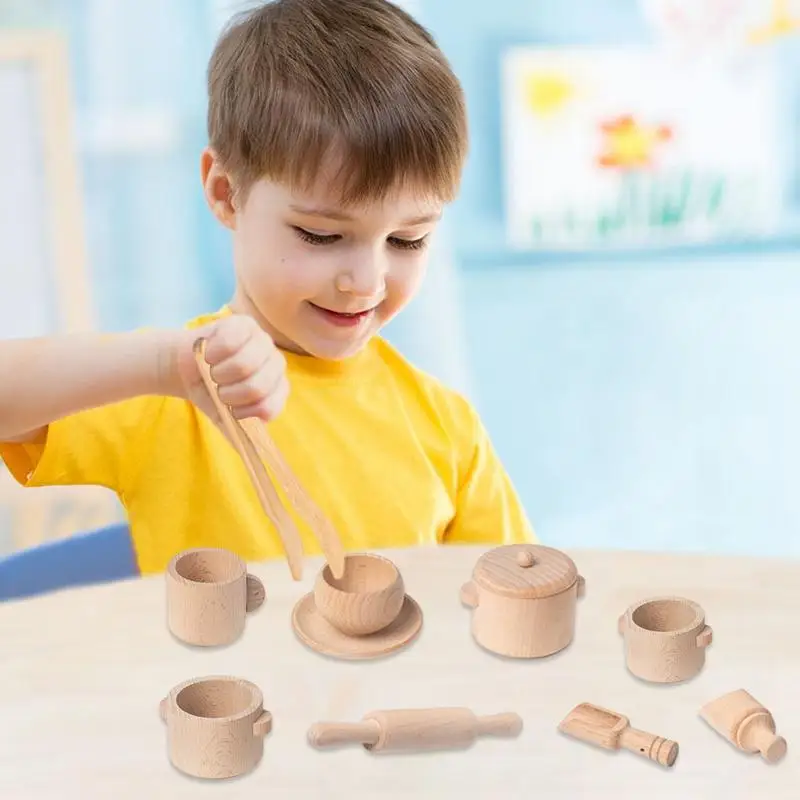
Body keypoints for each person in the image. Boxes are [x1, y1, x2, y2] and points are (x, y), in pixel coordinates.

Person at [0, 0, 535, 577]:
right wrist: (165, 365)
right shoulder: (177, 391)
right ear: (226, 193)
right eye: (321, 235)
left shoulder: (446, 427)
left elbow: (512, 606)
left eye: (408, 240)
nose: (367, 281)